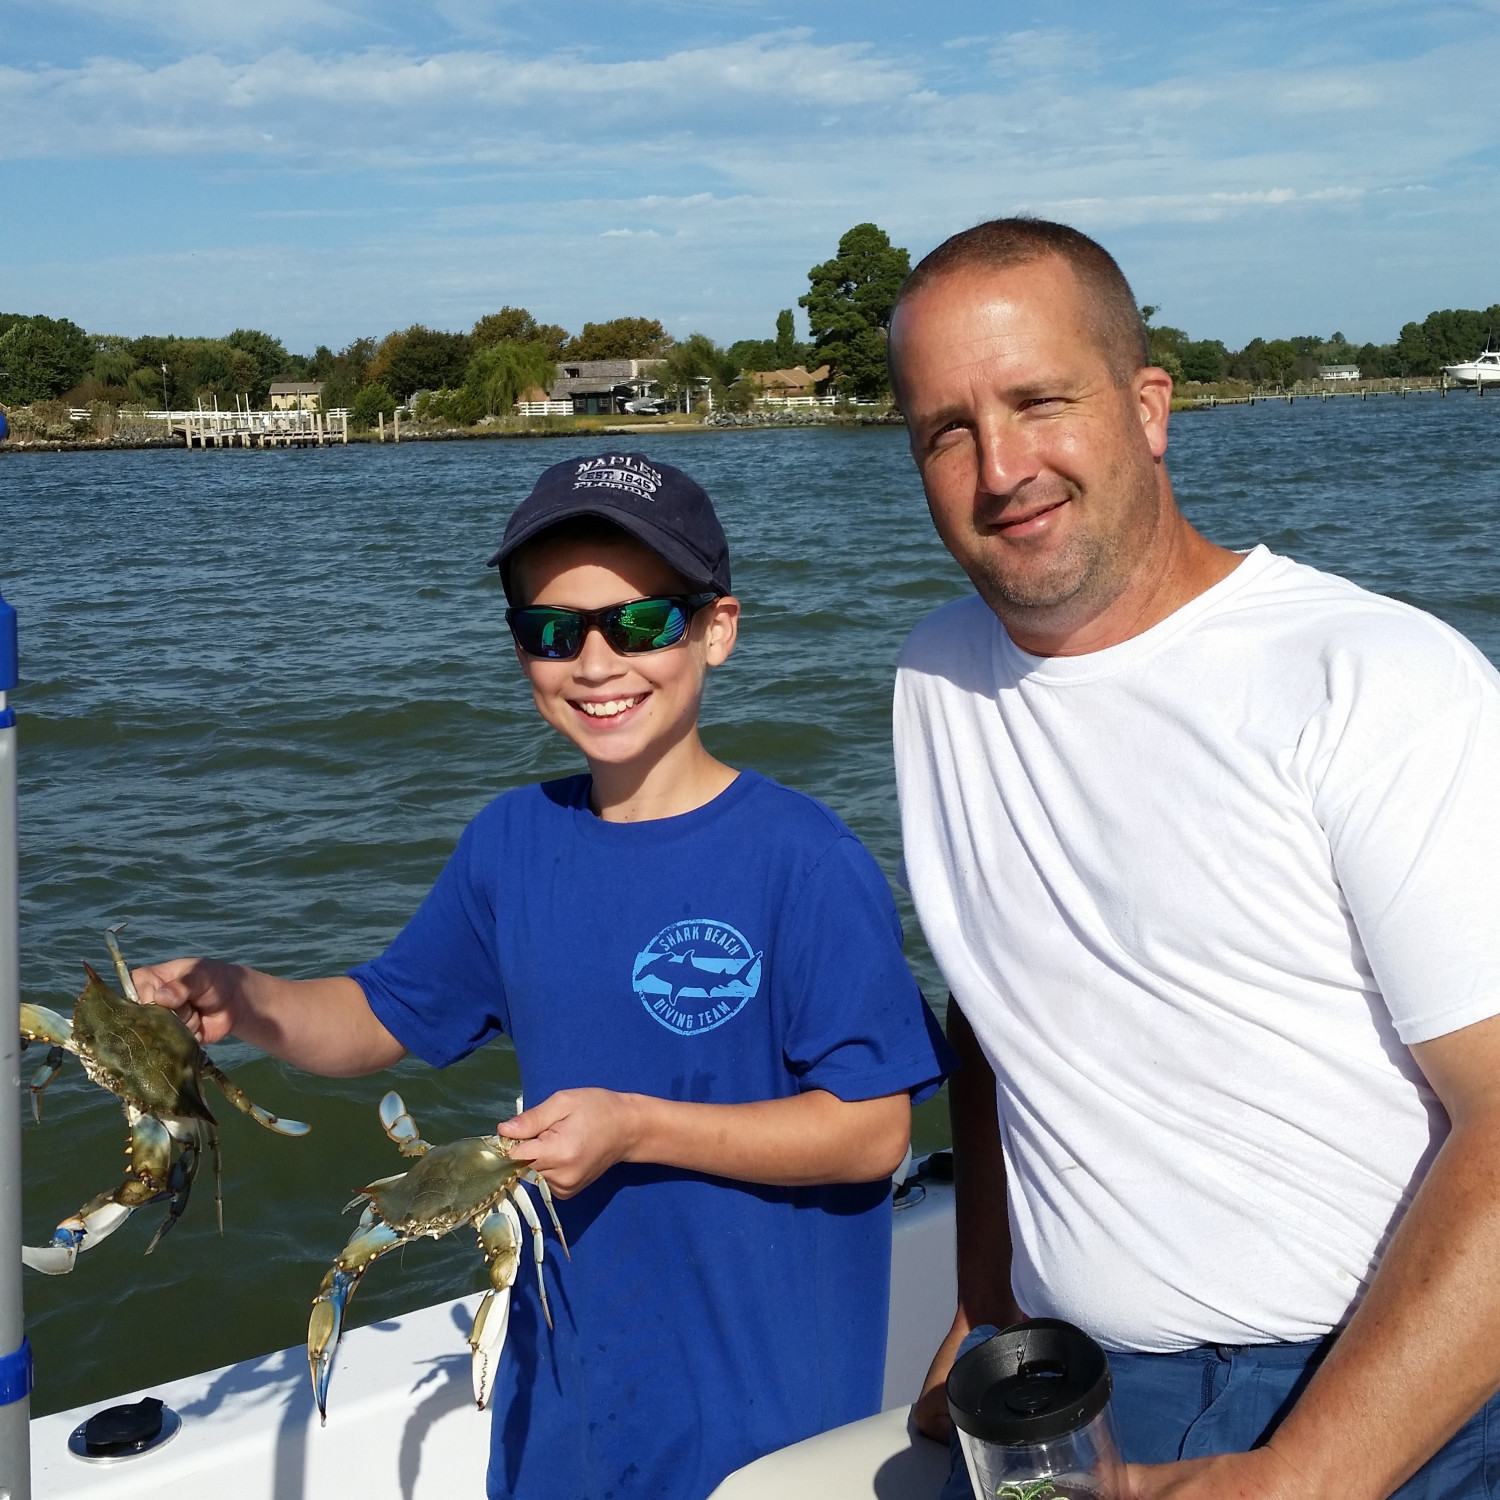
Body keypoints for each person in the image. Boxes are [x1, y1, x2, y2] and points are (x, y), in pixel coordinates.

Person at [133, 451, 952, 1500]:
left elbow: (871, 1131)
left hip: (763, 1411)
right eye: (552, 632)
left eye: (641, 623)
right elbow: (382, 1015)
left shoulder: (806, 860)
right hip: (563, 1406)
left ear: (718, 629)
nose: (597, 661)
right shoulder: (511, 843)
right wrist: (246, 1000)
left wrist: (637, 1128)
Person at [887, 218, 1500, 1500]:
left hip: (1389, 1385)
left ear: (1148, 405)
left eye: (1040, 401)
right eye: (949, 428)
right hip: (1069, 1383)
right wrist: (985, 1296)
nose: (1002, 467)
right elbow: (997, 1018)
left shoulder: (1377, 680)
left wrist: (1299, 1477)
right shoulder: (935, 677)